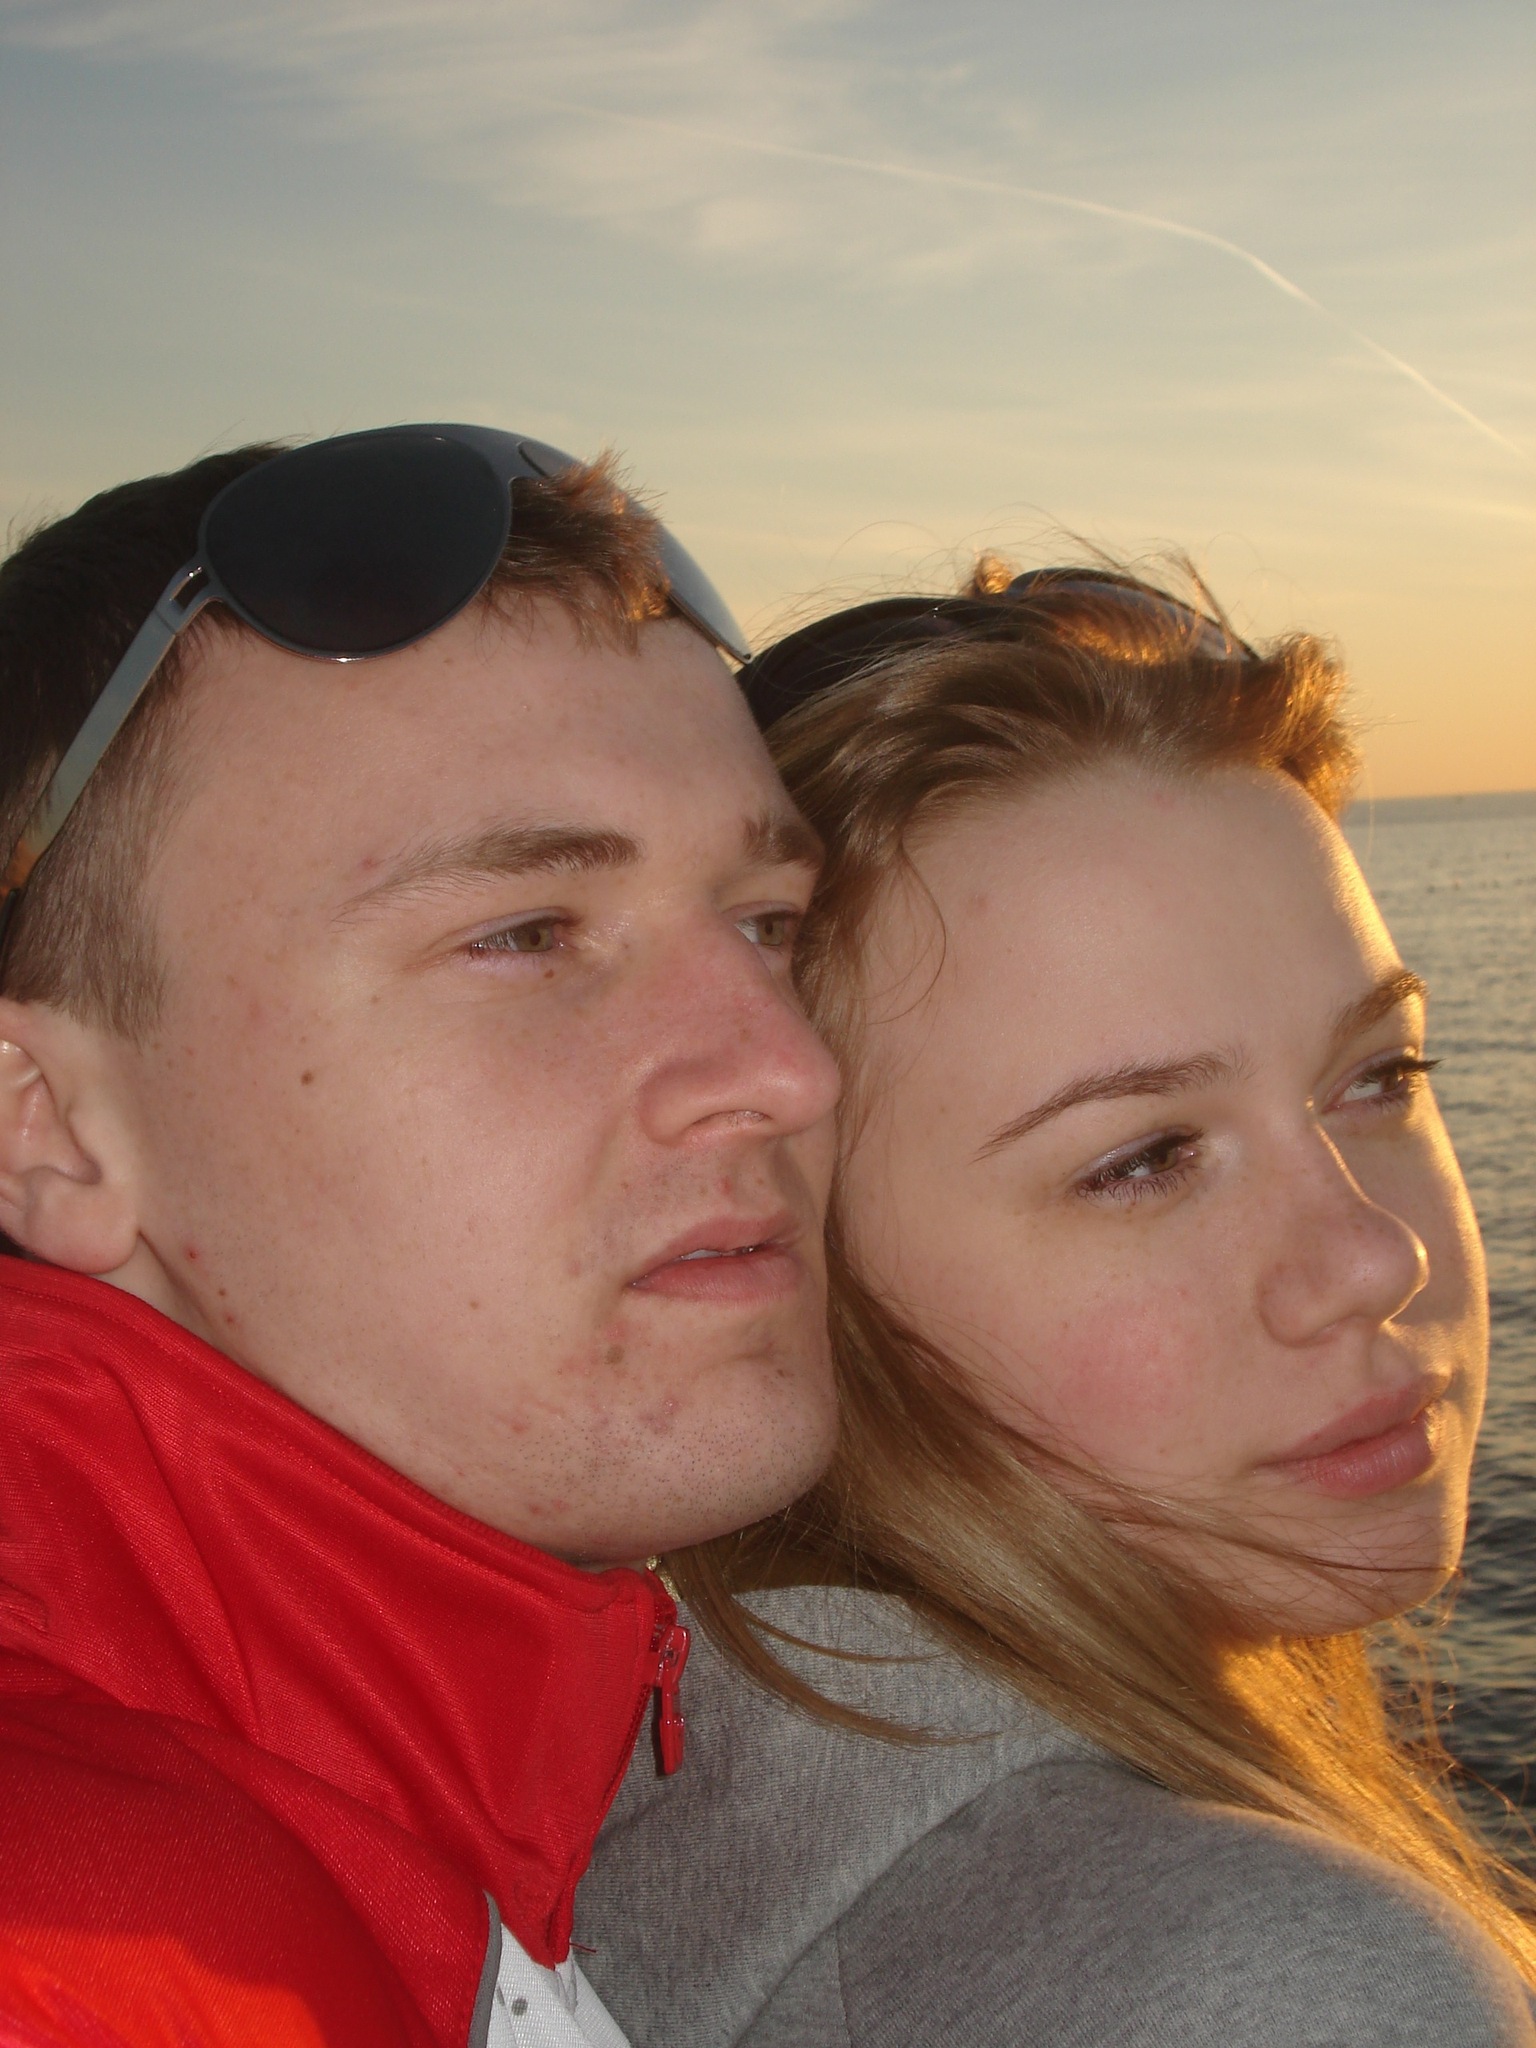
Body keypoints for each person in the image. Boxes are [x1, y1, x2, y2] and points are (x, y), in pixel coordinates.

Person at [577, 565, 1536, 2045]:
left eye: (1380, 1076)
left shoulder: (651, 1816)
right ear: (799, 1270)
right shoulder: (1258, 1984)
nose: (1374, 1259)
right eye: (1142, 1160)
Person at [0, 425, 842, 2047]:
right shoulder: (84, 1949)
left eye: (765, 925)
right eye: (524, 935)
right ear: (46, 1126)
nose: (788, 1070)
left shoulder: (432, 1812)